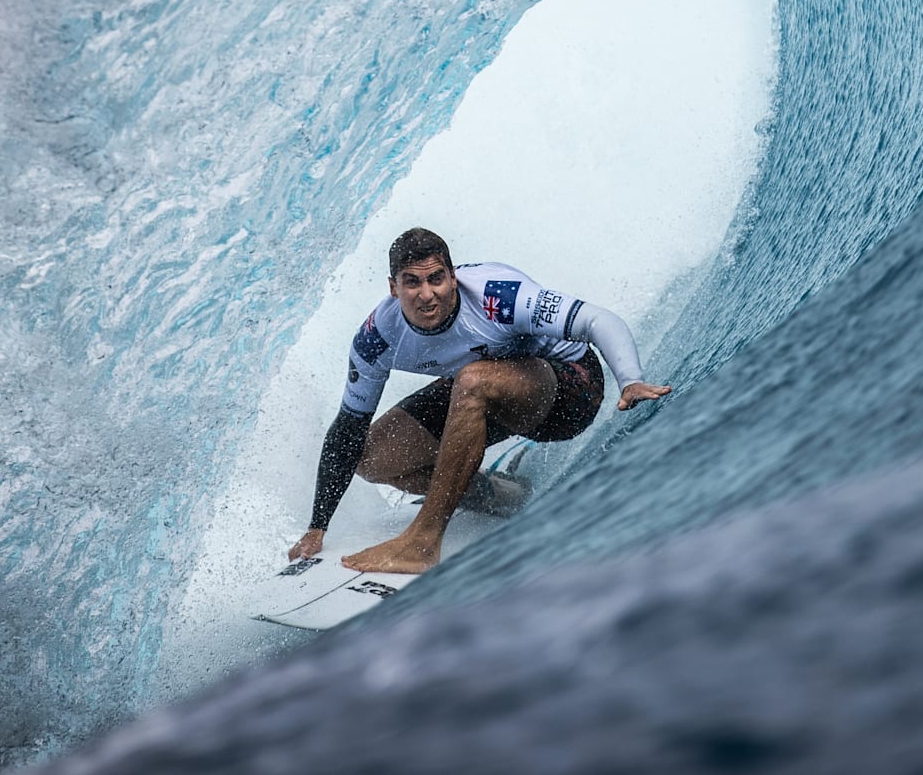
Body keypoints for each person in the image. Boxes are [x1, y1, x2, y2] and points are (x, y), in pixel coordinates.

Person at [288, 226, 672, 574]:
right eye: (412, 283)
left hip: (568, 392)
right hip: (485, 391)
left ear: (453, 278)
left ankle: (423, 542)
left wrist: (630, 380)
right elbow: (348, 428)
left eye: (436, 279)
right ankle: (498, 495)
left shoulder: (497, 296)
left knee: (472, 379)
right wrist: (317, 527)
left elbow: (596, 321)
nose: (426, 294)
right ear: (394, 288)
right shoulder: (378, 337)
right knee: (372, 457)